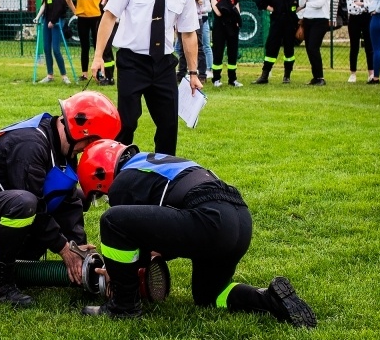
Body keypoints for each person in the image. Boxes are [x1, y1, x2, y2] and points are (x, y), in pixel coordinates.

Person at [76, 139, 317, 327]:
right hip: (239, 220)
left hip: (209, 220)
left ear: (100, 174)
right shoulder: (150, 163)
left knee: (112, 220)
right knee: (211, 295)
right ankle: (269, 300)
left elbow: (128, 234)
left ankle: (123, 308)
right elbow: (157, 233)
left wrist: (117, 272)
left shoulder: (124, 181)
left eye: (100, 194)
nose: (106, 197)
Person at [0, 91, 122, 308]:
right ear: (83, 132)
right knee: (24, 203)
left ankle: (21, 262)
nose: (89, 150)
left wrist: (77, 249)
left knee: (71, 194)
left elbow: (68, 201)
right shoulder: (30, 144)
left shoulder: (62, 146)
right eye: (92, 143)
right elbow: (36, 206)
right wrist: (63, 248)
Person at [90, 0, 201, 156]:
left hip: (164, 65)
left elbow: (188, 33)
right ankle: (116, 173)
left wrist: (193, 73)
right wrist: (99, 56)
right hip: (133, 62)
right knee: (127, 123)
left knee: (169, 126)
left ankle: (164, 179)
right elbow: (109, 16)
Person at [252, 0, 304, 84]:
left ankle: (287, 76)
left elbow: (305, 1)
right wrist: (272, 9)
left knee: (289, 50)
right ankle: (264, 76)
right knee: (271, 48)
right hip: (276, 24)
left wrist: (296, 10)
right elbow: (260, 2)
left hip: (290, 25)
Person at [66, 0, 102, 81]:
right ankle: (84, 73)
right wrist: (75, 10)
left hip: (96, 17)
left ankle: (99, 72)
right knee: (84, 46)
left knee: (98, 46)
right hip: (82, 18)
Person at [35, 0, 70, 84]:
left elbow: (59, 4)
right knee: (46, 48)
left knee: (55, 49)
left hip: (55, 21)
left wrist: (53, 21)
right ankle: (49, 75)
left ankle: (64, 76)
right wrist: (37, 17)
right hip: (46, 20)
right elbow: (45, 4)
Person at [176, 0, 208, 83]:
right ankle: (181, 72)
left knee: (198, 46)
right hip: (181, 18)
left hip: (196, 18)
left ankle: (202, 74)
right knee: (182, 47)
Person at [299, 0, 332, 86]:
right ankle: (315, 77)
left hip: (320, 20)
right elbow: (301, 2)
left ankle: (320, 77)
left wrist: (307, 4)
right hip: (308, 19)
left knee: (313, 47)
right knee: (309, 48)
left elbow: (319, 3)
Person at [210, 0, 242, 88]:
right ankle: (216, 79)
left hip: (232, 28)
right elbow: (218, 12)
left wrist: (229, 9)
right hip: (219, 28)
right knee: (218, 53)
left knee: (232, 53)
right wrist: (228, 0)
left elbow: (237, 13)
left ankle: (232, 79)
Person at [345, 0, 374, 83]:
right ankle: (353, 73)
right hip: (354, 19)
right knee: (354, 46)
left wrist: (363, 5)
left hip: (367, 19)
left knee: (369, 46)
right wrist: (364, 5)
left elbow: (372, 5)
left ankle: (371, 73)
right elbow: (350, 6)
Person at [96, 0, 117, 85]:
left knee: (106, 51)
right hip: (101, 23)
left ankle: (109, 77)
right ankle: (107, 77)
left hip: (111, 26)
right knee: (106, 52)